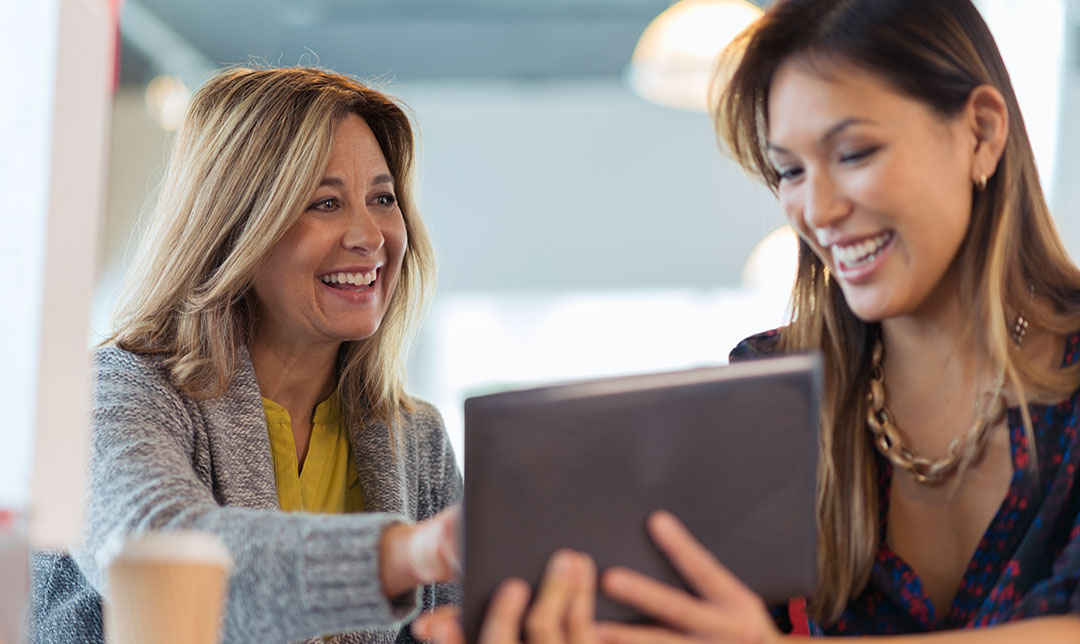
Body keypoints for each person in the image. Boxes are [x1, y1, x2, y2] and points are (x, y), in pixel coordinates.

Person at [419, 0, 1080, 640]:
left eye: (853, 154)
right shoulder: (772, 391)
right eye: (789, 170)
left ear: (982, 134)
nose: (816, 208)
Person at [30, 67, 462, 644]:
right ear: (236, 227)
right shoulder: (107, 396)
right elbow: (163, 564)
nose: (370, 234)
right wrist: (410, 552)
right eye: (324, 202)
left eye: (382, 198)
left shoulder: (417, 439)